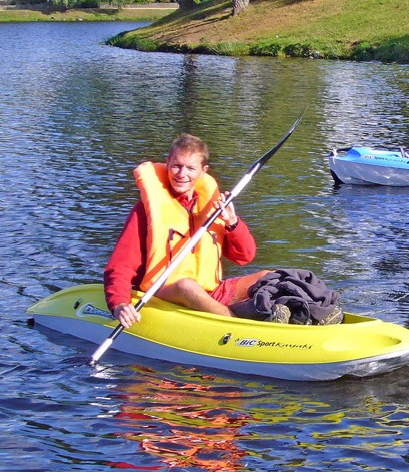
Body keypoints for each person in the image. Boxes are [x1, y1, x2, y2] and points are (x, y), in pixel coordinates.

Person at [104, 134, 340, 328]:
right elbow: (121, 265)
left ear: (203, 171)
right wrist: (119, 303)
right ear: (168, 162)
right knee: (188, 286)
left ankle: (310, 313)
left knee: (268, 276)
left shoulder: (212, 205)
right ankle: (241, 326)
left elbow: (244, 256)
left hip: (212, 289)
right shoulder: (147, 210)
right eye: (176, 166)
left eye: (190, 168)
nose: (181, 174)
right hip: (165, 291)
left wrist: (232, 223)